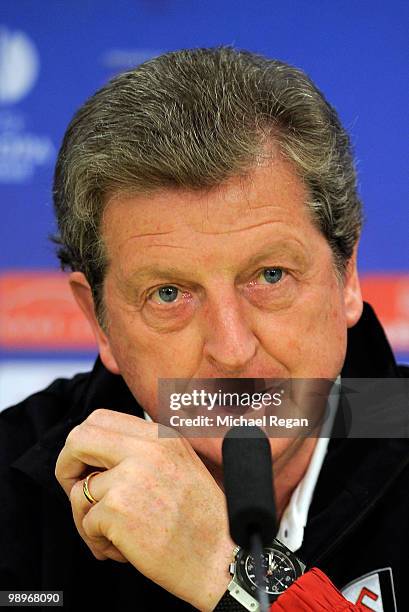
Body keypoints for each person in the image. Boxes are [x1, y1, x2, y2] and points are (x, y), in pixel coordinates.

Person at [0, 46, 408, 611]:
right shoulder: (11, 486)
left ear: (348, 278)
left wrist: (227, 573)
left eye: (270, 275)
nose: (233, 351)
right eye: (168, 294)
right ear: (98, 318)